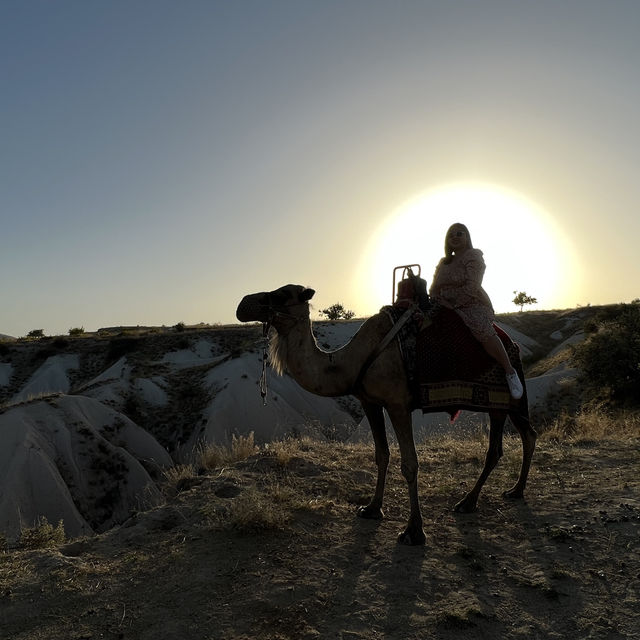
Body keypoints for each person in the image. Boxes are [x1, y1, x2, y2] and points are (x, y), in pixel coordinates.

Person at [429, 222, 523, 399]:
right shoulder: (443, 262)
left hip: (471, 303)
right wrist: (435, 299)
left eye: (460, 233)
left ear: (467, 237)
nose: (455, 237)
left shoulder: (473, 256)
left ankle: (509, 371)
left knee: (480, 328)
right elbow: (434, 287)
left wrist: (454, 303)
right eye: (451, 235)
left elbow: (472, 286)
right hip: (441, 303)